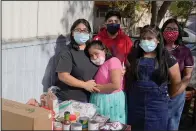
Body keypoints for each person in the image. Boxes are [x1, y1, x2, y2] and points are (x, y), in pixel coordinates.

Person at [126, 25, 187, 130]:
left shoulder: (167, 58)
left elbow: (176, 83)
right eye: (143, 38)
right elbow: (130, 78)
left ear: (158, 40)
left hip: (157, 107)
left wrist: (166, 95)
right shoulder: (134, 55)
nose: (146, 41)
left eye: (149, 38)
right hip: (135, 105)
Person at [55, 19, 100, 103]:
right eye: (78, 30)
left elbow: (105, 59)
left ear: (89, 33)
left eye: (84, 30)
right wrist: (85, 85)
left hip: (93, 98)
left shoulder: (92, 49)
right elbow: (63, 76)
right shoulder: (67, 52)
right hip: (72, 100)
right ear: (72, 33)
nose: (81, 32)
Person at [161, 18, 194, 130]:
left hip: (177, 93)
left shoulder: (184, 51)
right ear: (163, 31)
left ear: (179, 32)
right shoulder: (156, 49)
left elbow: (187, 75)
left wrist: (176, 92)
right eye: (168, 28)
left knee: (172, 124)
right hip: (158, 92)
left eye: (174, 29)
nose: (171, 31)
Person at [85, 40, 126, 124]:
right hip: (99, 101)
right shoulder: (99, 65)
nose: (94, 57)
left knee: (111, 125)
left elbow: (115, 85)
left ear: (104, 50)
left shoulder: (113, 61)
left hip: (111, 102)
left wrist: (94, 87)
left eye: (96, 53)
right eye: (91, 55)